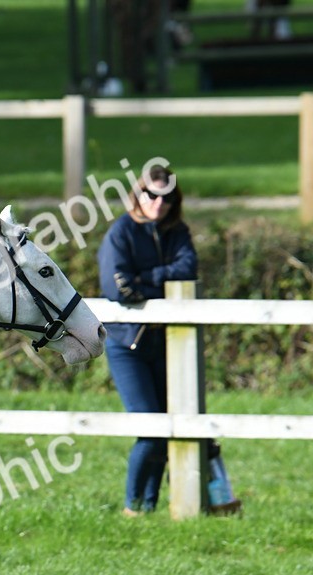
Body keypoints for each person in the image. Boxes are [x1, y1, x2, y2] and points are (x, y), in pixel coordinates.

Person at [98, 164, 197, 516]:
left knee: (173, 427)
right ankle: (133, 508)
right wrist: (154, 285)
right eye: (151, 194)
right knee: (150, 427)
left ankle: (149, 507)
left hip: (168, 344)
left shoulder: (177, 231)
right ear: (138, 193)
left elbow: (189, 270)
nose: (158, 203)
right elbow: (117, 288)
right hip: (129, 345)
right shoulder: (121, 232)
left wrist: (146, 278)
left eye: (166, 197)